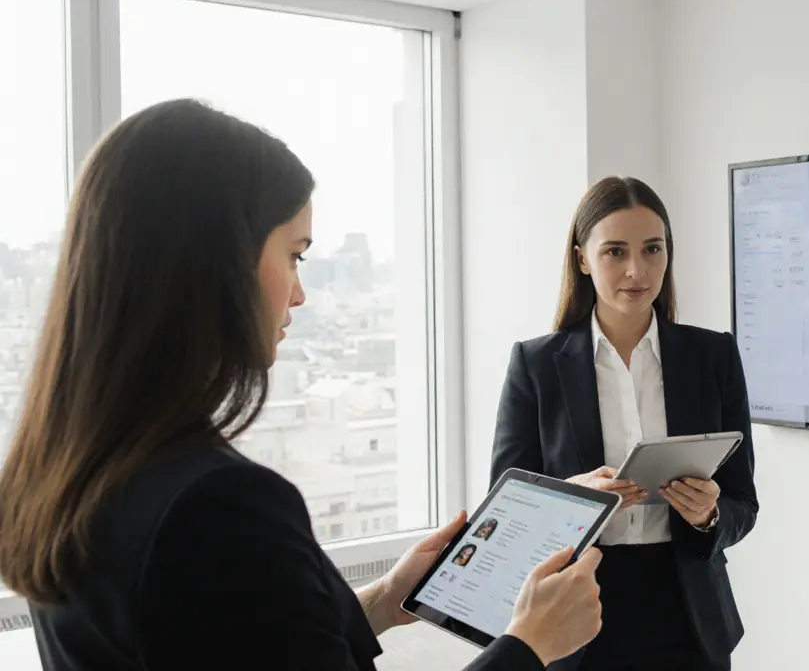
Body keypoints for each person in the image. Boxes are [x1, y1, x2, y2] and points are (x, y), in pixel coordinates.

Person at [0, 100, 604, 671]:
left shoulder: (73, 471)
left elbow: (225, 643)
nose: (298, 293)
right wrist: (529, 645)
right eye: (295, 255)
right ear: (221, 261)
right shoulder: (222, 508)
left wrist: (384, 599)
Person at [491, 176, 758, 671]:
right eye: (615, 251)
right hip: (575, 616)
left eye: (652, 249)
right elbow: (504, 515)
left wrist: (708, 516)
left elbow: (743, 502)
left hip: (690, 617)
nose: (637, 270)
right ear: (582, 259)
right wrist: (575, 499)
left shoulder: (712, 356)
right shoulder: (535, 364)